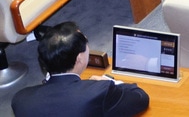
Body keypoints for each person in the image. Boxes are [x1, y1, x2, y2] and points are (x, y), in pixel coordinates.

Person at [12, 21, 150, 117]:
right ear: (79, 58)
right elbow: (140, 98)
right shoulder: (99, 91)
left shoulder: (20, 99)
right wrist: (110, 82)